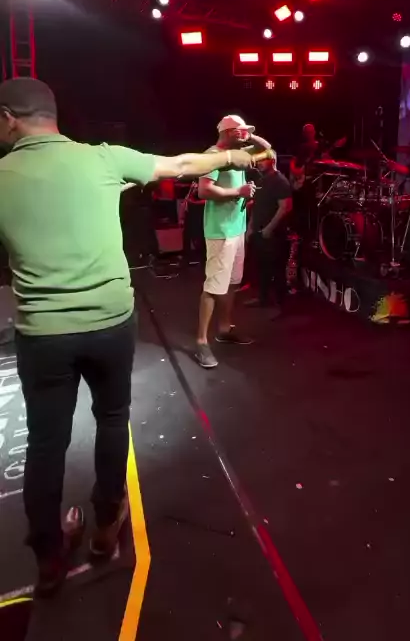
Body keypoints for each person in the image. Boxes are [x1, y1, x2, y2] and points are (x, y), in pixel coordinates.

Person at [0, 78, 253, 596]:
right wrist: (240, 157)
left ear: (8, 118)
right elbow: (183, 165)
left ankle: (48, 557)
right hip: (110, 323)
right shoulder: (103, 158)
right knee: (112, 419)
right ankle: (105, 527)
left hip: (44, 334)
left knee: (46, 443)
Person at [196, 115, 271, 368]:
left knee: (232, 282)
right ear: (228, 132)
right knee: (213, 286)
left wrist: (249, 135)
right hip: (220, 231)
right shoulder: (213, 155)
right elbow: (204, 190)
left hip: (236, 229)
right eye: (240, 132)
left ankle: (224, 329)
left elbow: (267, 149)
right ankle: (201, 342)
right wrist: (237, 192)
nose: (245, 136)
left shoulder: (237, 154)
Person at [246, 151, 293, 308]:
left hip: (274, 234)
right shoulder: (261, 180)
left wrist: (269, 228)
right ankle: (263, 299)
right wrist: (250, 227)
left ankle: (281, 304)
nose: (259, 163)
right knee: (262, 268)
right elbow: (256, 205)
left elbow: (285, 207)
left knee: (277, 270)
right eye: (258, 160)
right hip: (259, 231)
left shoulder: (280, 181)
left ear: (272, 160)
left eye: (262, 160)